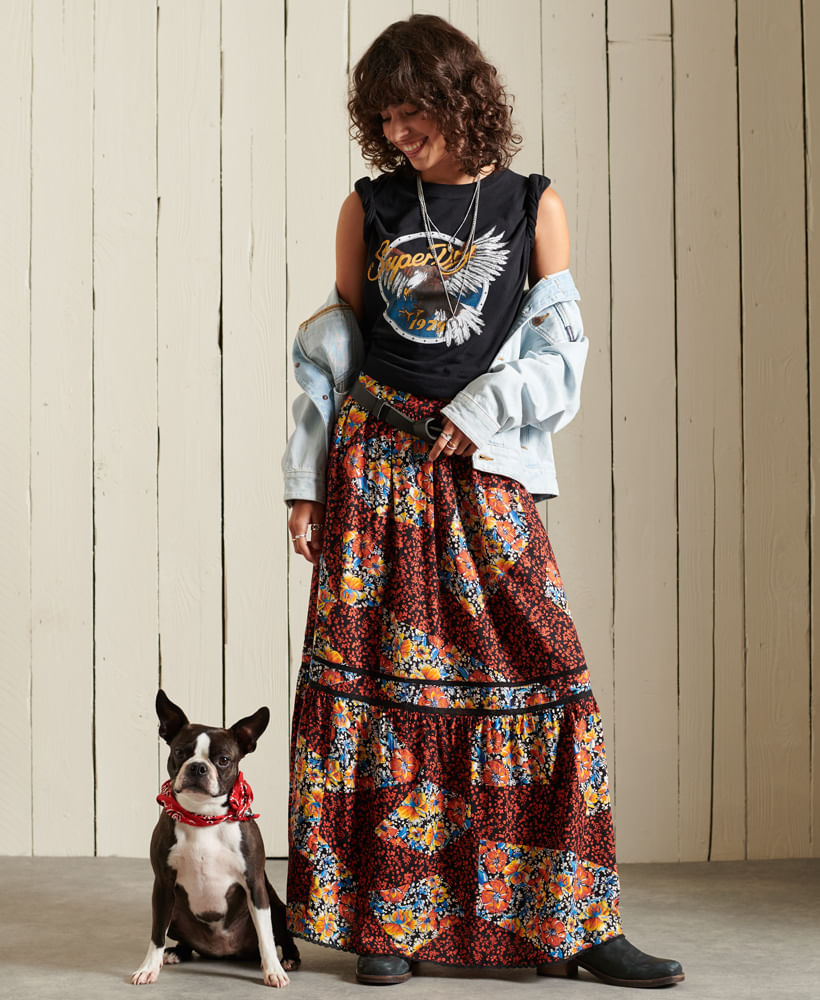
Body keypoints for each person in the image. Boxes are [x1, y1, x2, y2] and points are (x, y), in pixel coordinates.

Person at [283, 14, 684, 989]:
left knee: (545, 666)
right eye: (383, 117)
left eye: (410, 111)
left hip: (481, 466)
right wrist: (303, 484)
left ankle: (578, 923)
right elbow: (329, 355)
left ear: (458, 99)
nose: (396, 132)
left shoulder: (531, 205)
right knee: (379, 688)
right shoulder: (369, 208)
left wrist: (481, 408)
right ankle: (386, 920)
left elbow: (561, 355)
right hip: (374, 470)